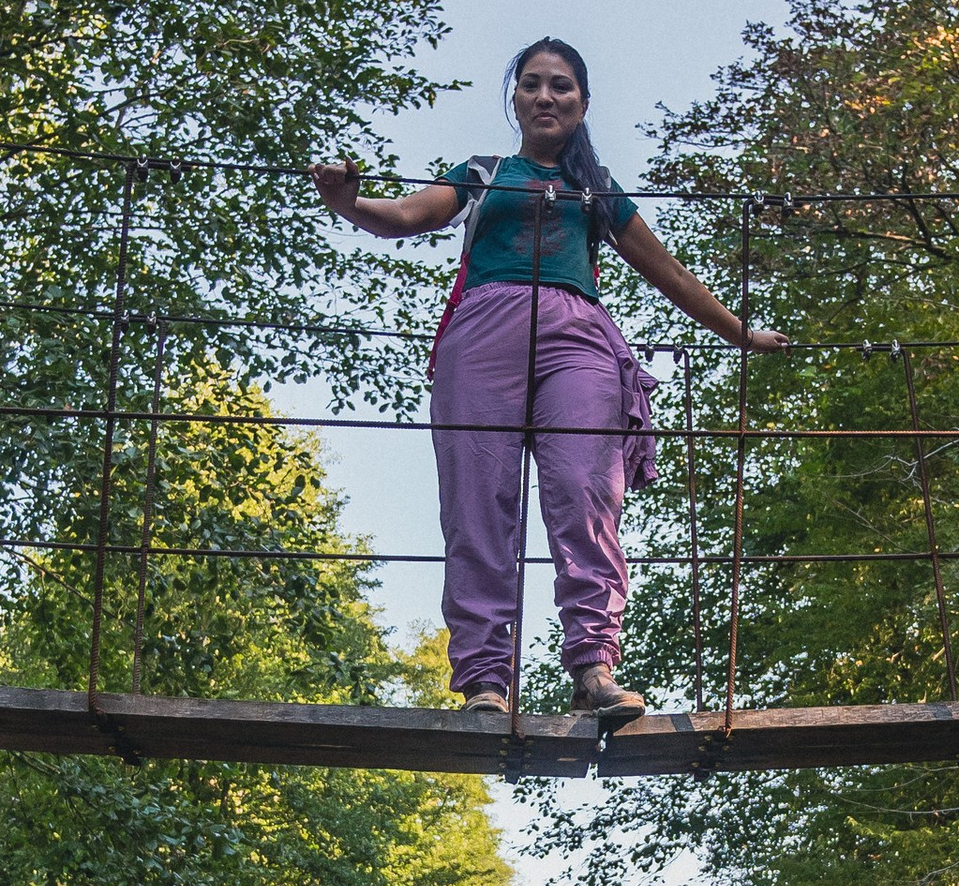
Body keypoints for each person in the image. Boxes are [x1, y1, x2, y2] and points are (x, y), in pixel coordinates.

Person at [311, 37, 786, 722]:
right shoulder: (484, 173)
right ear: (514, 99)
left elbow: (669, 272)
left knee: (587, 492)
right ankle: (485, 679)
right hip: (482, 336)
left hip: (578, 338)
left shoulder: (596, 188)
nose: (544, 96)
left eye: (560, 86)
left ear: (582, 103)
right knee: (478, 502)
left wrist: (740, 333)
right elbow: (406, 216)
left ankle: (593, 667)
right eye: (531, 83)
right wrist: (349, 203)